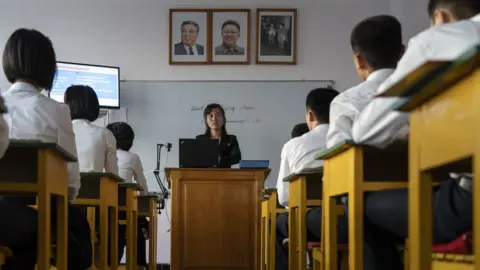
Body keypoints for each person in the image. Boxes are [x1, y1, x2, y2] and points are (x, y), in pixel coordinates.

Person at [351, 0, 479, 268]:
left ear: (440, 18)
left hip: (470, 203)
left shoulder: (436, 41)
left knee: (360, 209)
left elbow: (366, 132)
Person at [1, 28, 92, 270]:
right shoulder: (56, 110)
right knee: (73, 225)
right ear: (48, 67)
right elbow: (71, 182)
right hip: (35, 211)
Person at [275, 88, 348, 270]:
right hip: (354, 219)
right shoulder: (352, 138)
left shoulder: (293, 145)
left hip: (316, 223)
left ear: (310, 114)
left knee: (274, 225)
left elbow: (285, 197)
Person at [326, 15, 404, 147]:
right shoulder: (425, 89)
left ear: (359, 60)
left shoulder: (344, 102)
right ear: (402, 52)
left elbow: (340, 157)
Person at [106, 121, 148, 267]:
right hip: (121, 213)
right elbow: (143, 190)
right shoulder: (132, 158)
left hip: (97, 212)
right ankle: (140, 264)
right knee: (136, 222)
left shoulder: (100, 156)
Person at [64, 85, 118, 174]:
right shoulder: (105, 134)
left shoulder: (58, 131)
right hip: (94, 186)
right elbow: (113, 176)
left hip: (60, 186)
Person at [196, 103, 241, 168]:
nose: (214, 119)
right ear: (206, 120)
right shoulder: (200, 139)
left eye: (217, 115)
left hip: (225, 176)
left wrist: (220, 159)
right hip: (205, 176)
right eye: (211, 116)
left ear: (223, 119)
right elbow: (196, 161)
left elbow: (237, 158)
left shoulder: (231, 139)